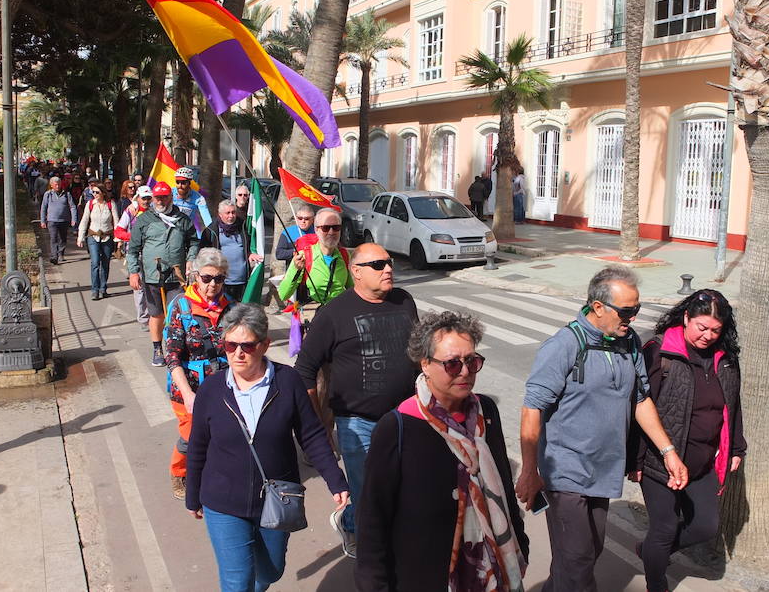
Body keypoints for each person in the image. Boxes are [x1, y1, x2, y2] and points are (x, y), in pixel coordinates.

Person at [516, 266, 688, 592]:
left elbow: (640, 400)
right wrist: (529, 470)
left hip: (603, 469)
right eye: (626, 311)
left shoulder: (629, 342)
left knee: (587, 553)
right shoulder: (565, 345)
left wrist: (669, 452)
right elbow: (532, 408)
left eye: (636, 309)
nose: (632, 318)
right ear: (598, 307)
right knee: (578, 561)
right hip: (565, 470)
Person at [356, 311, 529, 592]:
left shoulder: (486, 412)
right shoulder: (397, 427)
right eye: (452, 364)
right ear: (425, 364)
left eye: (472, 361)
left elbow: (504, 486)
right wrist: (374, 584)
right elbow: (373, 517)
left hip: (493, 570)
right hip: (424, 576)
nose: (465, 372)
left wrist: (520, 541)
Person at [186, 303, 349, 591]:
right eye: (230, 345)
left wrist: (335, 480)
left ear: (264, 345)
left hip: (277, 498)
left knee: (271, 571)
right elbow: (198, 445)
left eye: (247, 346)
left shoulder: (288, 382)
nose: (238, 353)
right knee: (237, 581)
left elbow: (311, 434)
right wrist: (193, 496)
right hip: (223, 502)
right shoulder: (211, 390)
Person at [295, 243, 419, 558]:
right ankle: (374, 562)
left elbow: (419, 355)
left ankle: (349, 520)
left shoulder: (404, 301)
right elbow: (305, 370)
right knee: (368, 495)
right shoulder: (333, 313)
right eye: (378, 265)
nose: (387, 269)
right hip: (356, 423)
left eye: (389, 262)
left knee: (403, 487)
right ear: (356, 272)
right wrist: (316, 427)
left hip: (405, 417)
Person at [629, 289, 746, 592]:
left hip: (702, 462)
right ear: (686, 318)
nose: (708, 336)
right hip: (660, 461)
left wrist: (736, 447)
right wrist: (635, 460)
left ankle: (651, 552)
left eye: (715, 330)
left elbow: (733, 405)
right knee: (664, 528)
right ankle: (656, 583)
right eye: (701, 327)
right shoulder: (660, 352)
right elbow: (638, 406)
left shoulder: (725, 360)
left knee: (705, 526)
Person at [164, 247, 236, 500]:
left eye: (219, 278)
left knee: (223, 431)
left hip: (222, 383)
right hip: (189, 385)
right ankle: (179, 473)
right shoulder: (181, 306)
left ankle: (215, 471)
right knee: (190, 435)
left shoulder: (231, 307)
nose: (212, 284)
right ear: (196, 276)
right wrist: (188, 394)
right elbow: (172, 356)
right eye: (207, 278)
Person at [127, 181, 200, 368]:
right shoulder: (144, 220)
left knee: (178, 314)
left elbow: (193, 241)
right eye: (157, 197)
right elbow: (133, 249)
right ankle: (157, 348)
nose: (160, 201)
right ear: (153, 198)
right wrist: (133, 272)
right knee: (156, 314)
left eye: (164, 197)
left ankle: (176, 349)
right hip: (152, 276)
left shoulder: (182, 219)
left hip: (176, 277)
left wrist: (191, 259)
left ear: (170, 197)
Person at [278, 207, 351, 311]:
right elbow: (283, 294)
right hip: (313, 313)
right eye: (325, 228)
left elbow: (353, 289)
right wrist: (296, 270)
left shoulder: (344, 255)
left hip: (339, 312)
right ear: (316, 230)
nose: (331, 232)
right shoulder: (304, 256)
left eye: (336, 227)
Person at [199, 200, 263, 301]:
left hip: (242, 281)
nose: (231, 216)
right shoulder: (210, 231)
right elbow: (202, 256)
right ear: (220, 214)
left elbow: (251, 243)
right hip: (221, 282)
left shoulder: (243, 226)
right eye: (227, 213)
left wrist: (250, 253)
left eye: (233, 212)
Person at [115, 185, 153, 331]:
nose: (146, 201)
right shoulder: (131, 211)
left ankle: (154, 315)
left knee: (153, 285)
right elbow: (118, 232)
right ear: (138, 198)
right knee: (139, 287)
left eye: (149, 198)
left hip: (152, 254)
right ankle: (143, 319)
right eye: (144, 198)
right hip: (135, 253)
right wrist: (134, 237)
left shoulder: (155, 211)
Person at [77, 182, 119, 301]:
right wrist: (80, 237)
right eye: (93, 192)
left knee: (105, 263)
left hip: (107, 237)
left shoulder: (111, 204)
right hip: (93, 237)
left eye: (97, 192)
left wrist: (118, 239)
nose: (94, 194)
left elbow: (116, 221)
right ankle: (95, 290)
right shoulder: (90, 204)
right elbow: (84, 220)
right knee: (95, 263)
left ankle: (103, 288)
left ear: (103, 193)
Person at [40, 176, 78, 265]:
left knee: (62, 238)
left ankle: (61, 253)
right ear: (51, 185)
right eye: (56, 185)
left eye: (59, 184)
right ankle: (54, 256)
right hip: (52, 220)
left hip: (64, 220)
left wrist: (74, 219)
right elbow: (43, 208)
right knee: (53, 238)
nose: (58, 186)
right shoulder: (48, 194)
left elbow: (72, 207)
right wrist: (43, 220)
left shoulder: (67, 194)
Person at [274, 203, 315, 271]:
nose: (303, 221)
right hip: (294, 271)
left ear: (312, 219)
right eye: (300, 218)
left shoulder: (318, 232)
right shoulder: (287, 232)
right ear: (296, 218)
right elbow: (279, 254)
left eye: (306, 219)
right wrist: (296, 252)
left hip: (313, 271)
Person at [173, 166, 211, 237]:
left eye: (183, 183)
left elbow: (207, 218)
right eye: (177, 182)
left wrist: (211, 232)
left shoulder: (199, 198)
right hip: (171, 230)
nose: (180, 186)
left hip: (187, 230)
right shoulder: (170, 194)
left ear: (189, 183)